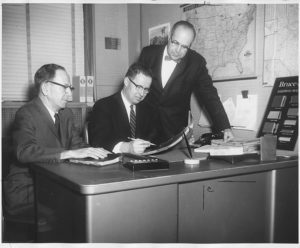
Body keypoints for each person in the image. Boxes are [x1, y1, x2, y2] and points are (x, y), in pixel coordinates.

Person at [3, 64, 110, 215]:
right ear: (46, 89)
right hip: (28, 190)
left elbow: (77, 145)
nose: (70, 95)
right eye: (64, 87)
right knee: (79, 211)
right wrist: (67, 154)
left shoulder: (66, 114)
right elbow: (24, 151)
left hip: (55, 184)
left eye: (70, 88)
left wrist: (102, 155)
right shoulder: (26, 114)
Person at [138, 20, 234, 142]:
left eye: (184, 47)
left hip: (174, 132)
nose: (177, 50)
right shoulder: (148, 54)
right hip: (144, 129)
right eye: (175, 43)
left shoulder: (196, 63)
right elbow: (133, 87)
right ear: (169, 37)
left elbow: (210, 95)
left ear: (190, 46)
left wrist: (225, 127)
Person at [89, 63, 160, 154]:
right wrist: (127, 147)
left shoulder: (149, 109)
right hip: (114, 164)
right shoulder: (103, 106)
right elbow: (99, 142)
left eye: (146, 89)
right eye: (139, 87)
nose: (142, 94)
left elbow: (154, 139)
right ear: (126, 81)